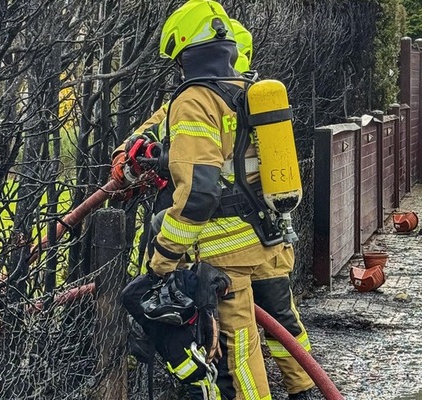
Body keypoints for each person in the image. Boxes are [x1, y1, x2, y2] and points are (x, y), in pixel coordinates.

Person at [116, 1, 318, 398]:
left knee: (238, 352)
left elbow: (198, 193)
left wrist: (162, 260)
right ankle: (305, 389)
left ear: (184, 53)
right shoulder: (246, 90)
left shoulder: (194, 100)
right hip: (269, 238)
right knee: (284, 323)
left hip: (226, 252)